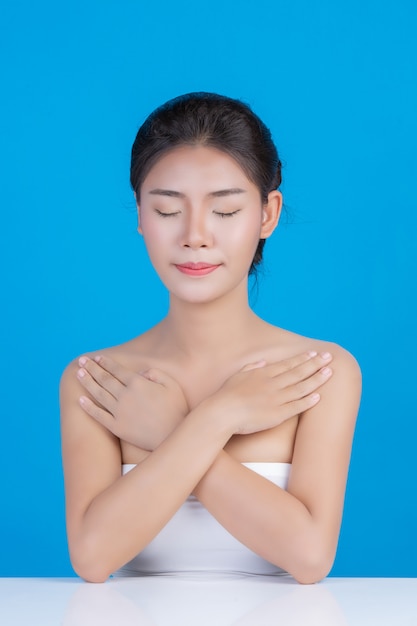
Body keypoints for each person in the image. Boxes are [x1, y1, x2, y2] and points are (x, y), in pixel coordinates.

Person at [60, 92, 361, 585]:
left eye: (224, 211)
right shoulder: (96, 379)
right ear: (139, 214)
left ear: (267, 214)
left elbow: (309, 557)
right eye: (166, 210)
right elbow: (93, 557)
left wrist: (173, 430)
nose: (195, 236)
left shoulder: (321, 372)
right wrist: (218, 418)